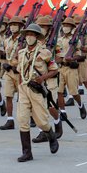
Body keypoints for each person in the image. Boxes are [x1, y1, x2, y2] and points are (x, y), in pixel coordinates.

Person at [15, 23, 59, 162]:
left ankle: (51, 134)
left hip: (37, 89)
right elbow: (19, 71)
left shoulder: (44, 52)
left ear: (37, 37)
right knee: (22, 120)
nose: (29, 37)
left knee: (41, 121)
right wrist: (20, 85)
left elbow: (54, 69)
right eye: (27, 34)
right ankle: (27, 152)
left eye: (32, 35)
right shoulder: (21, 52)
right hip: (24, 88)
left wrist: (42, 78)